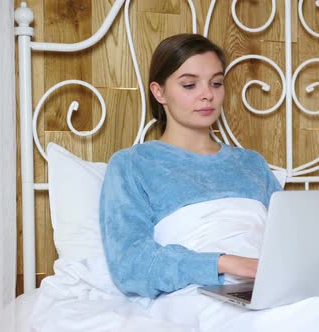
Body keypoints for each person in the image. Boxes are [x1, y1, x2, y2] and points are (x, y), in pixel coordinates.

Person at [99, 33, 282, 299]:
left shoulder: (251, 163)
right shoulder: (132, 165)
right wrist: (222, 262)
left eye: (216, 83)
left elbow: (291, 238)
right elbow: (130, 264)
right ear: (159, 92)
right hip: (194, 295)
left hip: (271, 287)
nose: (208, 95)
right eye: (189, 85)